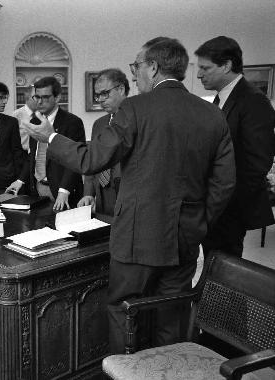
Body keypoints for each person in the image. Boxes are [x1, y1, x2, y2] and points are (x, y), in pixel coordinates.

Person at [23, 37, 236, 353]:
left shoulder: (135, 108)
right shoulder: (212, 113)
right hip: (186, 237)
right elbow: (224, 184)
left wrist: (50, 137)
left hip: (137, 237)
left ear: (152, 67)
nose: (134, 74)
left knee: (125, 313)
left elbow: (92, 159)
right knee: (172, 317)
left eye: (136, 66)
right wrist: (199, 221)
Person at [195, 36, 275, 258]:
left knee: (223, 267)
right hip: (216, 205)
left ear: (227, 65)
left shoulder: (253, 101)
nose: (199, 74)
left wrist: (221, 202)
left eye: (205, 68)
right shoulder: (221, 100)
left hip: (230, 208)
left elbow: (257, 162)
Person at [7, 76, 85, 210]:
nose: (40, 102)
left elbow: (75, 161)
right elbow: (32, 157)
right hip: (36, 189)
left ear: (58, 97)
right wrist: (20, 180)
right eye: (37, 97)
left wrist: (64, 190)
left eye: (45, 97)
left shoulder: (72, 122)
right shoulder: (35, 122)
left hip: (62, 191)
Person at [78, 69, 128, 215]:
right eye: (97, 95)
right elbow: (92, 161)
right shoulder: (99, 124)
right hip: (100, 197)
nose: (100, 100)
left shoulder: (135, 120)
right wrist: (88, 193)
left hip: (124, 197)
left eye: (104, 94)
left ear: (121, 89)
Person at [13, 84, 38, 152]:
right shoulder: (16, 115)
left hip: (39, 155)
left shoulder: (43, 115)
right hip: (23, 155)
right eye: (36, 97)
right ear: (27, 97)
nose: (40, 100)